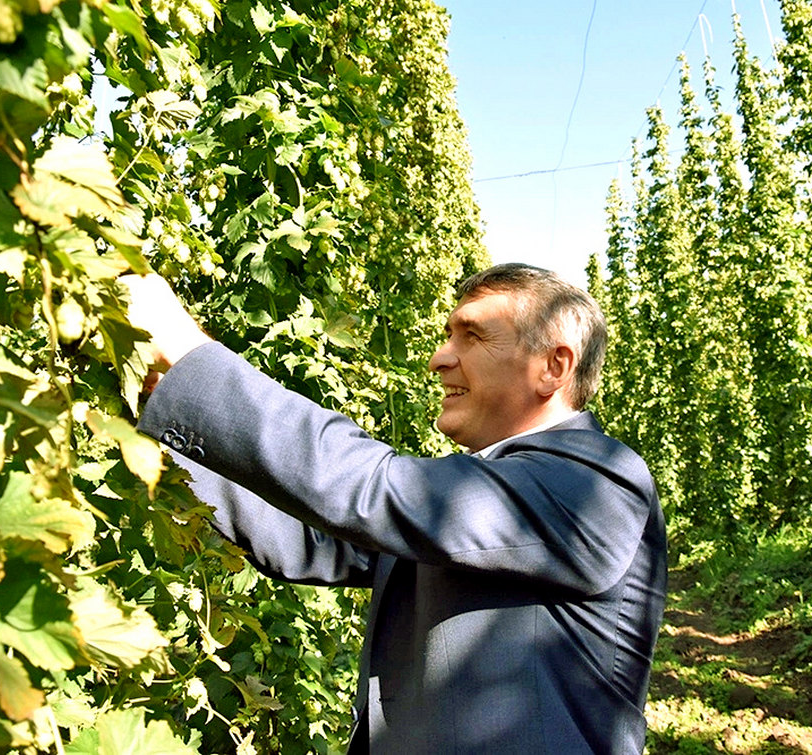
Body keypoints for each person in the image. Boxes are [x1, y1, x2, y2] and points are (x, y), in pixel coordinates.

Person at [124, 263, 667, 754]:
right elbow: (308, 538)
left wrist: (189, 354)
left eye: (473, 335)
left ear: (553, 366)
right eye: (447, 335)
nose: (439, 359)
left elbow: (373, 488)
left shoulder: (597, 483)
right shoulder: (479, 500)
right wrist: (164, 402)